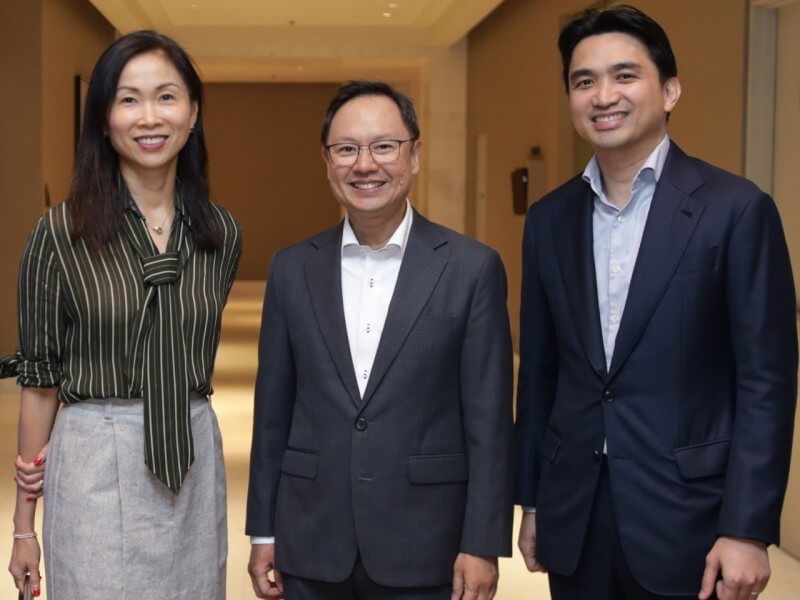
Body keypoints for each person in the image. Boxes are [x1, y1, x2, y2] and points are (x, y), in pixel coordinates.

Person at [514, 5, 797, 600]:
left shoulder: (736, 210)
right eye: (583, 81)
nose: (602, 95)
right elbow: (540, 374)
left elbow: (766, 381)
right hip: (576, 516)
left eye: (625, 75)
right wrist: (534, 500)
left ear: (669, 90)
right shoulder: (548, 221)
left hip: (690, 519)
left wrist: (747, 528)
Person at [246, 80, 514, 600]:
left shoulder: (471, 268)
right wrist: (264, 531)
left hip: (426, 544)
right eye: (346, 149)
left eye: (384, 147)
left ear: (414, 156)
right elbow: (273, 411)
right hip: (311, 541)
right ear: (327, 162)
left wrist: (482, 543)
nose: (364, 165)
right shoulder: (292, 268)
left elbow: (488, 421)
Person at [1, 30, 242, 599]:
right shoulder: (60, 234)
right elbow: (40, 380)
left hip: (190, 452)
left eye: (166, 96)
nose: (149, 117)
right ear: (103, 117)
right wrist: (21, 528)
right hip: (92, 457)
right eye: (128, 99)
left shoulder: (220, 233)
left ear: (193, 111)